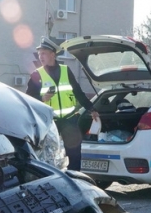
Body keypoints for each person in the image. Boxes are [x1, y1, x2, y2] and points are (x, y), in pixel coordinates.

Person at [26, 37, 99, 170]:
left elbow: (78, 92)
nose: (40, 56)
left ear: (52, 54)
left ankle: (75, 180)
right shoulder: (37, 75)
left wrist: (92, 109)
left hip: (69, 120)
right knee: (48, 156)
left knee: (75, 154)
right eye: (39, 53)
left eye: (43, 53)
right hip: (49, 122)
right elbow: (28, 98)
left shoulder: (66, 70)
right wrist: (42, 98)